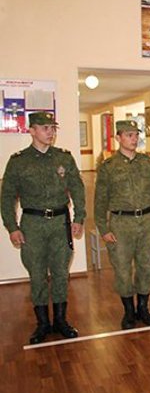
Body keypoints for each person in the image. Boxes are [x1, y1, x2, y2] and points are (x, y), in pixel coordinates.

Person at [1, 112, 85, 344]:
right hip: (33, 224)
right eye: (45, 128)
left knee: (60, 273)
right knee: (37, 274)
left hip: (60, 222)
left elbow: (77, 189)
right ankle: (42, 324)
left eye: (53, 128)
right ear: (32, 130)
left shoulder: (64, 158)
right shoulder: (18, 161)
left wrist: (79, 217)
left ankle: (60, 320)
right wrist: (12, 227)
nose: (51, 132)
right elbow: (7, 197)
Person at [94, 120, 150, 330]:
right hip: (120, 223)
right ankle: (128, 311)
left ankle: (143, 308)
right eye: (129, 135)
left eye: (136, 135)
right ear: (118, 138)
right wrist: (103, 229)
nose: (134, 139)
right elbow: (100, 201)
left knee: (146, 267)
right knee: (123, 269)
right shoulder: (108, 167)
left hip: (147, 221)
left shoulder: (147, 162)